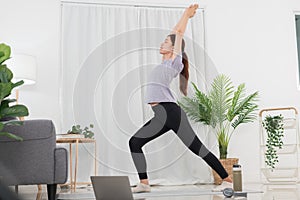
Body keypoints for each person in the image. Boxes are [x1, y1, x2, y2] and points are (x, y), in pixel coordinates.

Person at [129, 4, 232, 193]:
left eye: (166, 42)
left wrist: (186, 15)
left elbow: (177, 32)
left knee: (197, 148)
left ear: (175, 47)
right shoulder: (164, 62)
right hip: (161, 114)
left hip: (170, 112)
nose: (162, 44)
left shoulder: (174, 61)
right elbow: (174, 33)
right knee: (135, 142)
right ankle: (144, 183)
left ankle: (227, 179)